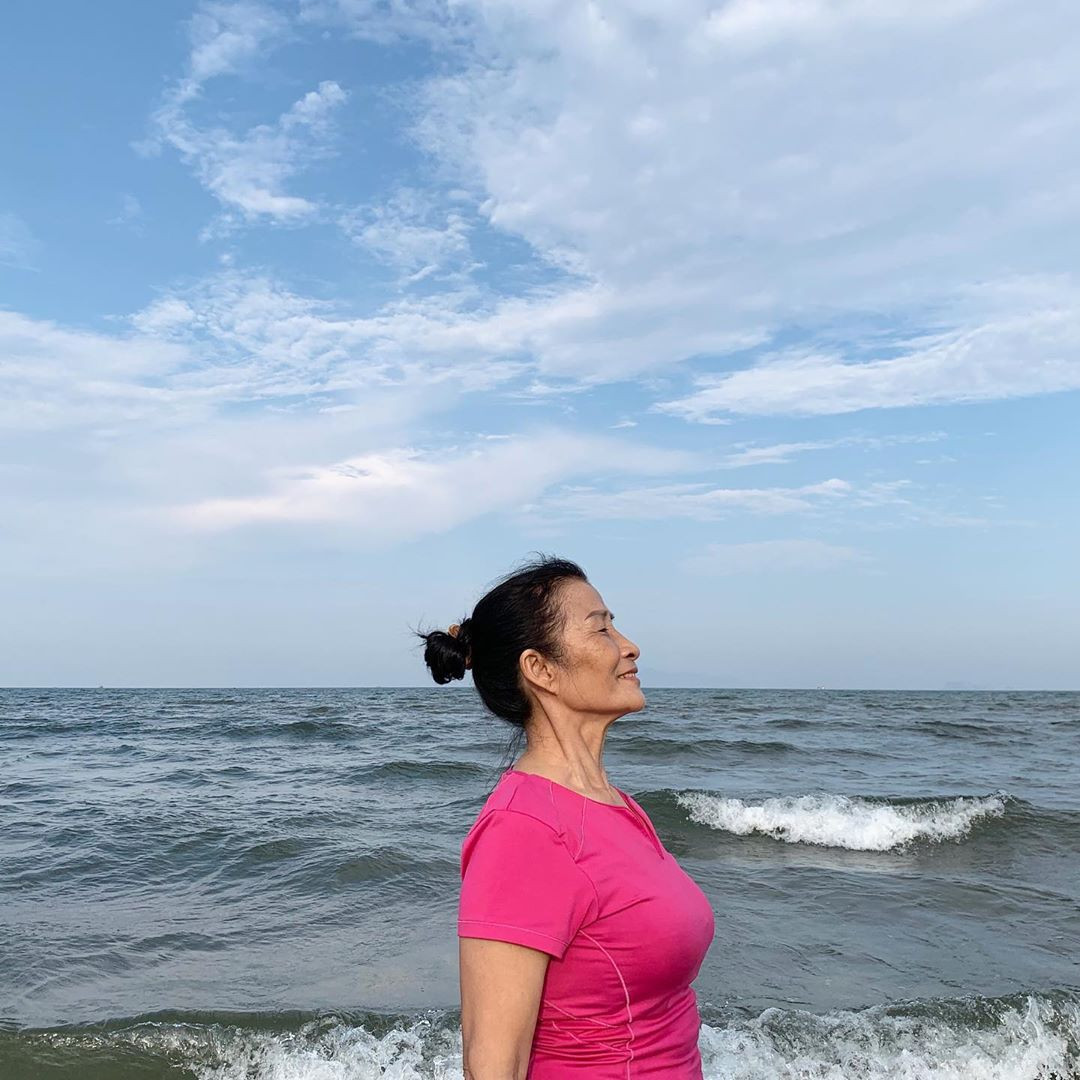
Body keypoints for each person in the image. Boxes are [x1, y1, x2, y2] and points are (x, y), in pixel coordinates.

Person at [419, 554, 716, 1079]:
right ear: (541, 670)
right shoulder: (524, 831)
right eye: (601, 628)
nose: (629, 645)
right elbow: (493, 1064)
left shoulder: (616, 805)